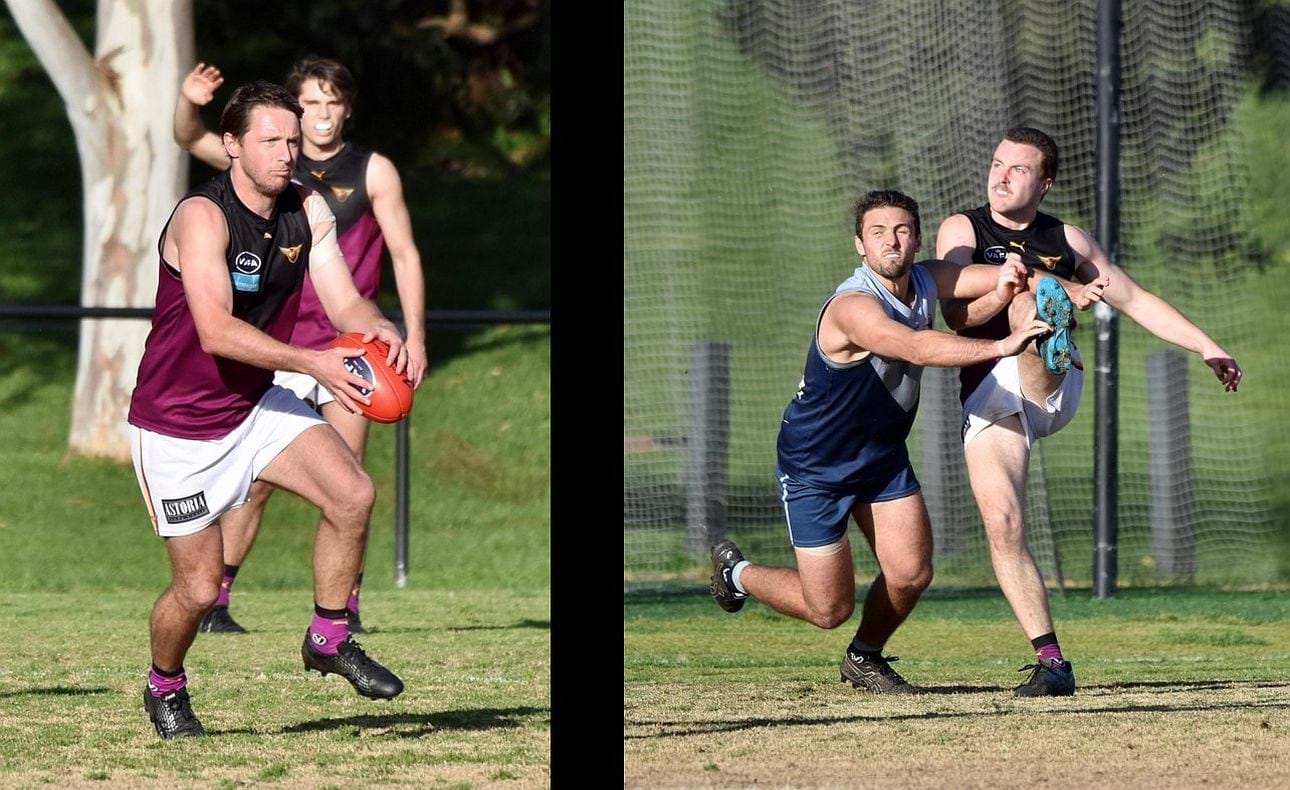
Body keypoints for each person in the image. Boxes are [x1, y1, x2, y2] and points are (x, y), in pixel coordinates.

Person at [130, 81, 408, 739]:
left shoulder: (306, 208)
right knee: (197, 592)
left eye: (291, 139)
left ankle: (327, 635)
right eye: (272, 140)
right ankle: (164, 684)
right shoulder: (203, 216)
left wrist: (376, 328)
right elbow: (214, 331)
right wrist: (312, 363)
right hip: (178, 426)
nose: (288, 153)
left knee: (352, 495)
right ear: (231, 144)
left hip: (253, 403)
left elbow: (342, 300)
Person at [935, 127, 1243, 697]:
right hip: (990, 397)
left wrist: (1206, 345)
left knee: (1030, 302)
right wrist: (1043, 287)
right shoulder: (963, 229)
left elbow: (1134, 298)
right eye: (997, 164)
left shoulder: (1066, 237)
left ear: (1044, 183)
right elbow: (958, 316)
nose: (1000, 176)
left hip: (1047, 381)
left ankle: (1047, 335)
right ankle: (1053, 664)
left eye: (1017, 170)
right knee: (1002, 524)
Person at [709, 189, 1052, 693]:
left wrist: (1067, 290)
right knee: (828, 608)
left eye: (901, 230)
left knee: (911, 573)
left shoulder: (927, 280)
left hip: (882, 455)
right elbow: (912, 344)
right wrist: (1003, 344)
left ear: (915, 238)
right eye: (877, 233)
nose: (891, 241)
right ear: (859, 246)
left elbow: (1017, 275)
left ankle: (864, 657)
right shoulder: (852, 306)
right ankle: (736, 573)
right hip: (815, 466)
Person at [173, 59, 428, 634]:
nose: (318, 115)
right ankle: (217, 599)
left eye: (331, 101)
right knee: (256, 482)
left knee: (349, 481)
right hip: (277, 346)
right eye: (308, 103)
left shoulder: (367, 172)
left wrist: (405, 332)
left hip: (347, 342)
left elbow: (402, 257)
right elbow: (189, 135)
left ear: (347, 108)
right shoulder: (256, 168)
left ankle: (340, 614)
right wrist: (189, 102)